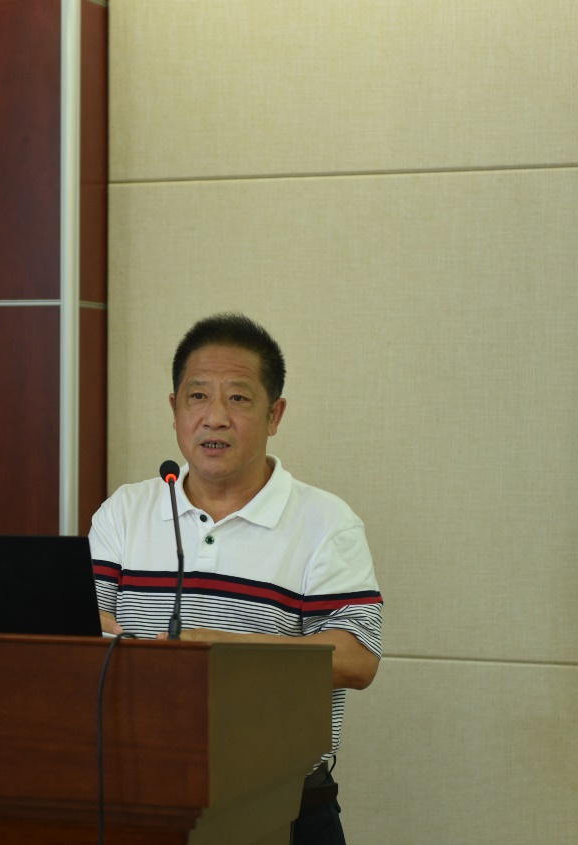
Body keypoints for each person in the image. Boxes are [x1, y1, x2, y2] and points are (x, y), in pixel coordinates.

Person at [89, 313, 383, 845]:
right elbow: (82, 623)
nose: (215, 418)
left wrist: (217, 651)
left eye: (239, 399)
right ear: (174, 410)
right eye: (198, 397)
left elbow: (357, 659)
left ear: (275, 415)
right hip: (139, 798)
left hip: (282, 808)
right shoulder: (126, 511)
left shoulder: (325, 522)